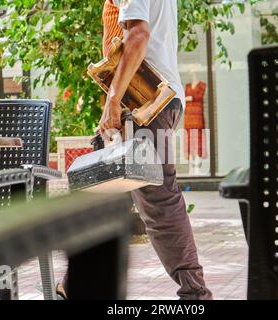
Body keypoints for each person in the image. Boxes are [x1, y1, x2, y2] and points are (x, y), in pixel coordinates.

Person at [99, 0, 212, 300]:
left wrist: (112, 100)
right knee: (108, 194)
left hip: (146, 102)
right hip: (150, 102)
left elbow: (138, 36)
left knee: (159, 200)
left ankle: (195, 295)